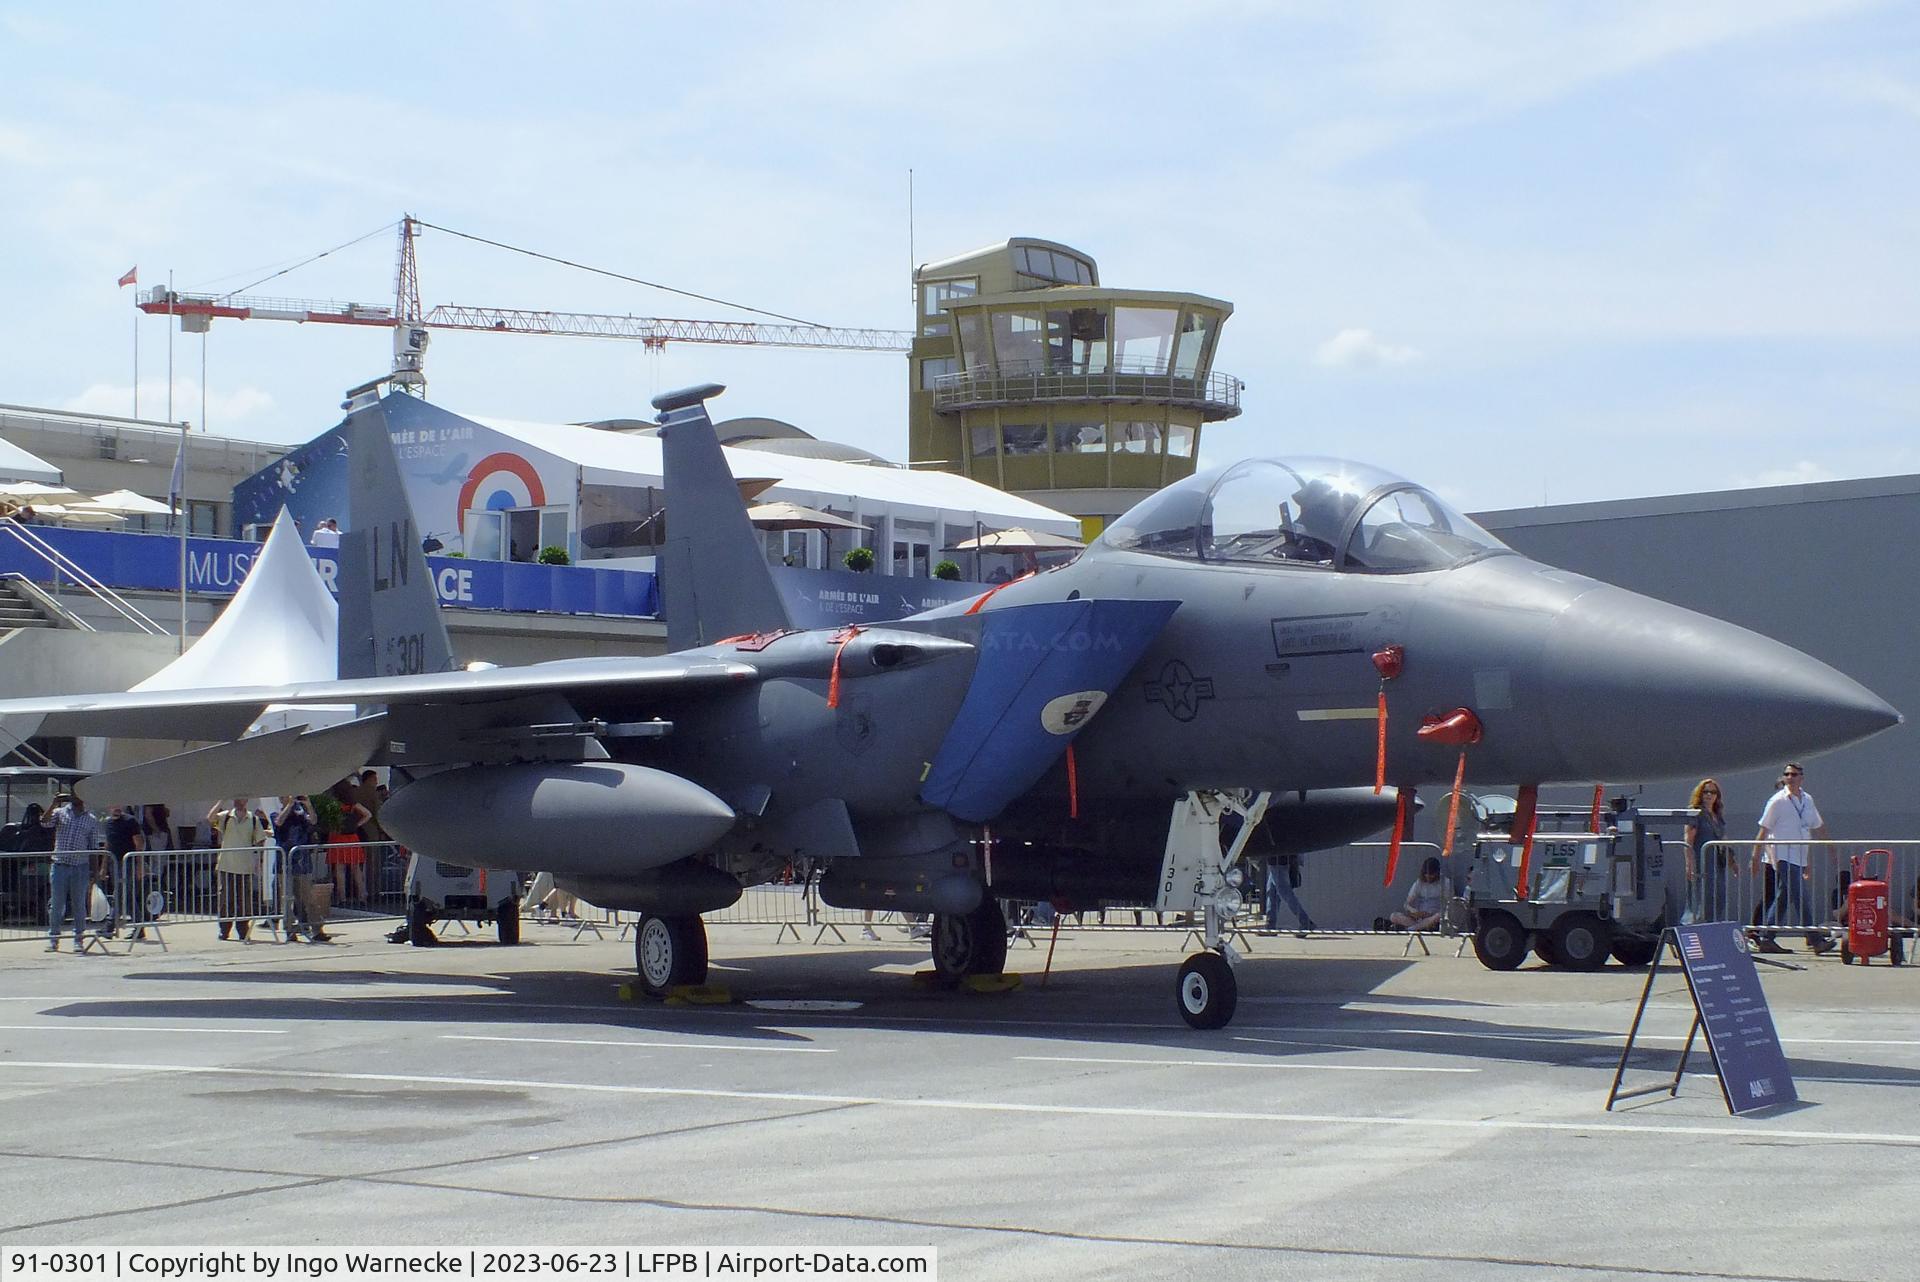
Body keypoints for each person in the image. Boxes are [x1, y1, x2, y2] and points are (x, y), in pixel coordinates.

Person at [1752, 762, 1834, 955]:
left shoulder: (1807, 800)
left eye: (1794, 774)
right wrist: (1755, 856)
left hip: (1799, 856)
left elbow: (1816, 826)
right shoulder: (1777, 801)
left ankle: (1767, 937)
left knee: (1784, 897)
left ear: (1801, 778)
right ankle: (1815, 939)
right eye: (1787, 774)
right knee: (1800, 896)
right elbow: (1763, 830)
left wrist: (1830, 847)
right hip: (1782, 855)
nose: (1790, 777)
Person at [45, 792, 100, 952]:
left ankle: (78, 940)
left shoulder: (91, 819)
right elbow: (44, 822)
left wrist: (95, 872)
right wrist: (54, 803)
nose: (74, 797)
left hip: (79, 867)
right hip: (60, 865)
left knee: (79, 905)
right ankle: (54, 939)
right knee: (56, 904)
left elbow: (94, 847)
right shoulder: (60, 813)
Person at [208, 797, 267, 941]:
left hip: (245, 866)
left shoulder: (253, 819)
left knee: (244, 900)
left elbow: (260, 840)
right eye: (235, 798)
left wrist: (258, 860)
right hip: (226, 865)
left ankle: (243, 931)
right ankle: (224, 930)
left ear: (246, 800)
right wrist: (221, 801)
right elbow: (210, 819)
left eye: (240, 798)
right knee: (225, 899)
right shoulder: (226, 817)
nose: (236, 800)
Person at [274, 795, 330, 943]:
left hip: (301, 863)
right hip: (284, 863)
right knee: (286, 899)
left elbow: (313, 820)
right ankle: (290, 930)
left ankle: (317, 930)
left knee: (308, 897)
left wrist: (308, 804)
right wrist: (289, 805)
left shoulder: (300, 815)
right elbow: (278, 822)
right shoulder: (277, 813)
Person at [1686, 778, 1730, 923]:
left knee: (1719, 896)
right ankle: (1695, 928)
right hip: (1702, 862)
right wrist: (1689, 864)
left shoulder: (1717, 815)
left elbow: (1723, 839)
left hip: (1717, 863)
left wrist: (1732, 861)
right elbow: (1689, 839)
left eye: (1713, 792)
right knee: (1702, 899)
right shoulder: (1695, 813)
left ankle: (1714, 926)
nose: (1709, 795)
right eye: (1706, 792)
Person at [102, 803, 144, 938]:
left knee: (121, 894)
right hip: (114, 863)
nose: (117, 808)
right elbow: (107, 845)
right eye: (114, 805)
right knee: (126, 896)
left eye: (119, 805)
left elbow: (138, 843)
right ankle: (139, 927)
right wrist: (103, 866)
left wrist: (139, 865)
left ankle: (109, 927)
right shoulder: (108, 823)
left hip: (128, 862)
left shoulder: (130, 821)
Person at [1390, 856, 1448, 932]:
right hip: (1419, 918)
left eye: (1431, 875)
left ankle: (1411, 929)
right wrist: (1414, 912)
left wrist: (1431, 914)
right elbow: (1407, 904)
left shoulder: (1445, 883)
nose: (1428, 877)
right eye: (1426, 874)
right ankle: (1420, 927)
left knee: (1438, 916)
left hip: (1434, 918)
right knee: (1394, 916)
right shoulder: (1419, 883)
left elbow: (1449, 905)